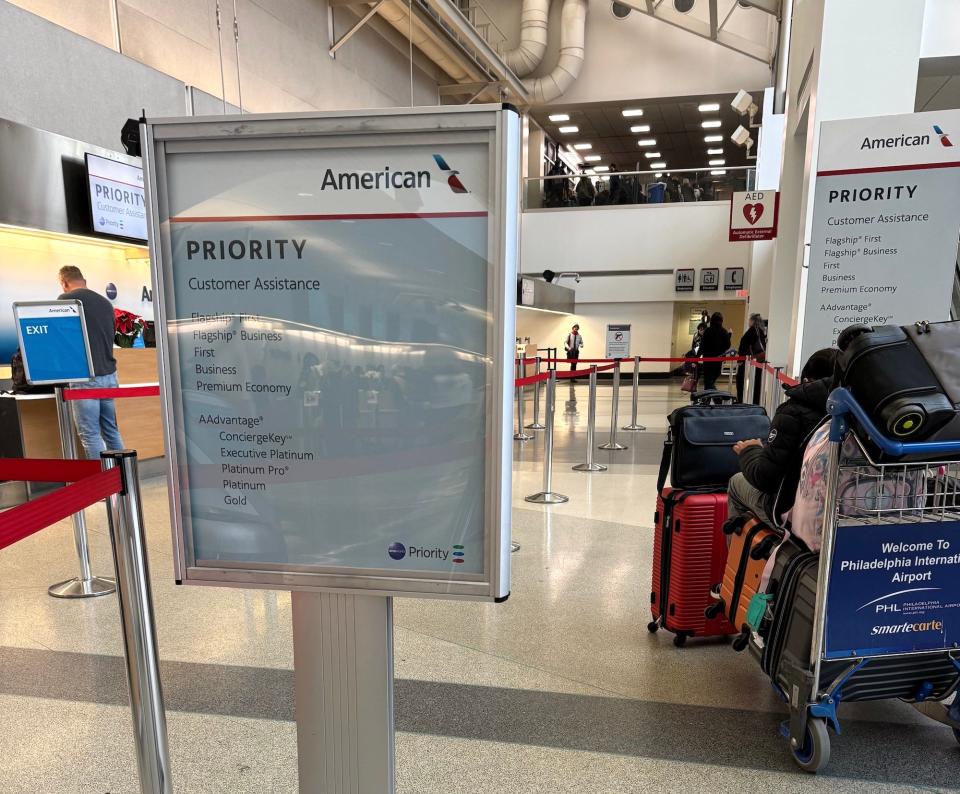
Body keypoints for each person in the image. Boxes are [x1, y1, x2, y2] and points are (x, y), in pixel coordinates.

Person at [726, 348, 838, 528]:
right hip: (838, 511)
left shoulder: (793, 411)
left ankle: (742, 552)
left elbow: (765, 479)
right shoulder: (860, 412)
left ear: (806, 378)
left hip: (791, 510)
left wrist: (750, 450)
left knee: (736, 483)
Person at [56, 265, 124, 459]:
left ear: (64, 283)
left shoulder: (65, 300)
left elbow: (60, 338)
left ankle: (102, 486)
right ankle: (123, 479)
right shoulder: (105, 302)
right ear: (83, 280)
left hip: (84, 375)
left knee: (90, 434)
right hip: (110, 374)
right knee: (111, 431)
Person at [736, 313, 767, 403]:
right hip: (759, 362)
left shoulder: (752, 331)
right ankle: (755, 402)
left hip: (749, 362)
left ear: (752, 321)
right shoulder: (761, 332)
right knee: (757, 383)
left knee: (741, 381)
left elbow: (743, 345)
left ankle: (742, 401)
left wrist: (740, 360)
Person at [698, 312, 731, 391]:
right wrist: (729, 336)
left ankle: (714, 398)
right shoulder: (724, 331)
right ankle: (710, 398)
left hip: (708, 360)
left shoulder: (708, 331)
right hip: (718, 360)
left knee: (708, 381)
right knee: (711, 381)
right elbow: (727, 345)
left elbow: (702, 345)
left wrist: (697, 357)